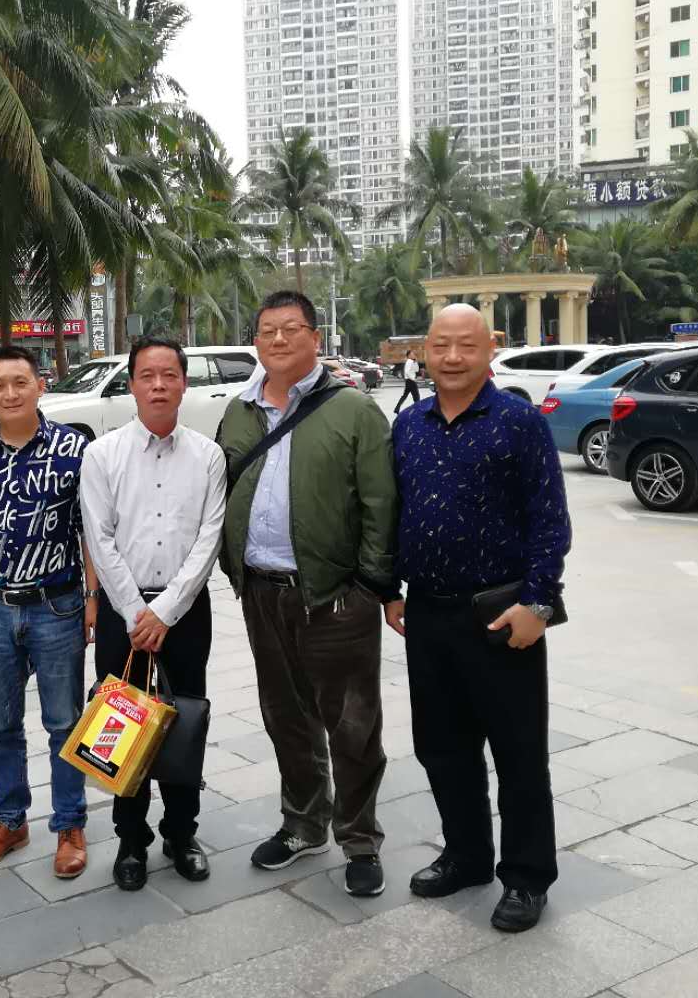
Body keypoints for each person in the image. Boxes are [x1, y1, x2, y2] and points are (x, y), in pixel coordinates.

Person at [385, 304, 571, 934]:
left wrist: (539, 604)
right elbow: (396, 512)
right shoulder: (408, 425)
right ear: (424, 350)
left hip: (501, 615)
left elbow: (550, 521)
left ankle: (526, 877)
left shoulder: (520, 422)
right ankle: (466, 855)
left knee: (519, 754)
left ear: (490, 348)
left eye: (466, 345)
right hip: (427, 613)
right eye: (441, 345)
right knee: (442, 748)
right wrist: (390, 590)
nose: (453, 357)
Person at [217, 290, 397, 896]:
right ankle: (303, 823)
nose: (278, 339)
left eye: (291, 328)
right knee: (285, 716)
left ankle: (360, 839)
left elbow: (380, 503)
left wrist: (370, 585)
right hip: (262, 591)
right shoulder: (239, 412)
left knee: (352, 724)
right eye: (267, 329)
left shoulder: (354, 410)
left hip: (336, 595)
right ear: (255, 340)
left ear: (315, 338)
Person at [80, 337, 226, 892]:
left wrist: (165, 611)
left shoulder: (208, 456)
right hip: (124, 613)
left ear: (184, 383)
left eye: (169, 375)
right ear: (131, 384)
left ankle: (182, 833)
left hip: (185, 611)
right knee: (123, 726)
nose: (159, 385)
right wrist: (136, 612)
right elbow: (100, 539)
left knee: (185, 720)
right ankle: (131, 840)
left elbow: (209, 538)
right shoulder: (103, 455)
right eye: (148, 375)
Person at [0, 346, 95, 881]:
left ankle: (69, 825)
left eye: (20, 382)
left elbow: (88, 530)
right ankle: (9, 821)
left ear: (40, 385)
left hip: (57, 606)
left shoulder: (73, 449)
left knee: (64, 724)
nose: (10, 394)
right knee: (1, 726)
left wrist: (92, 599)